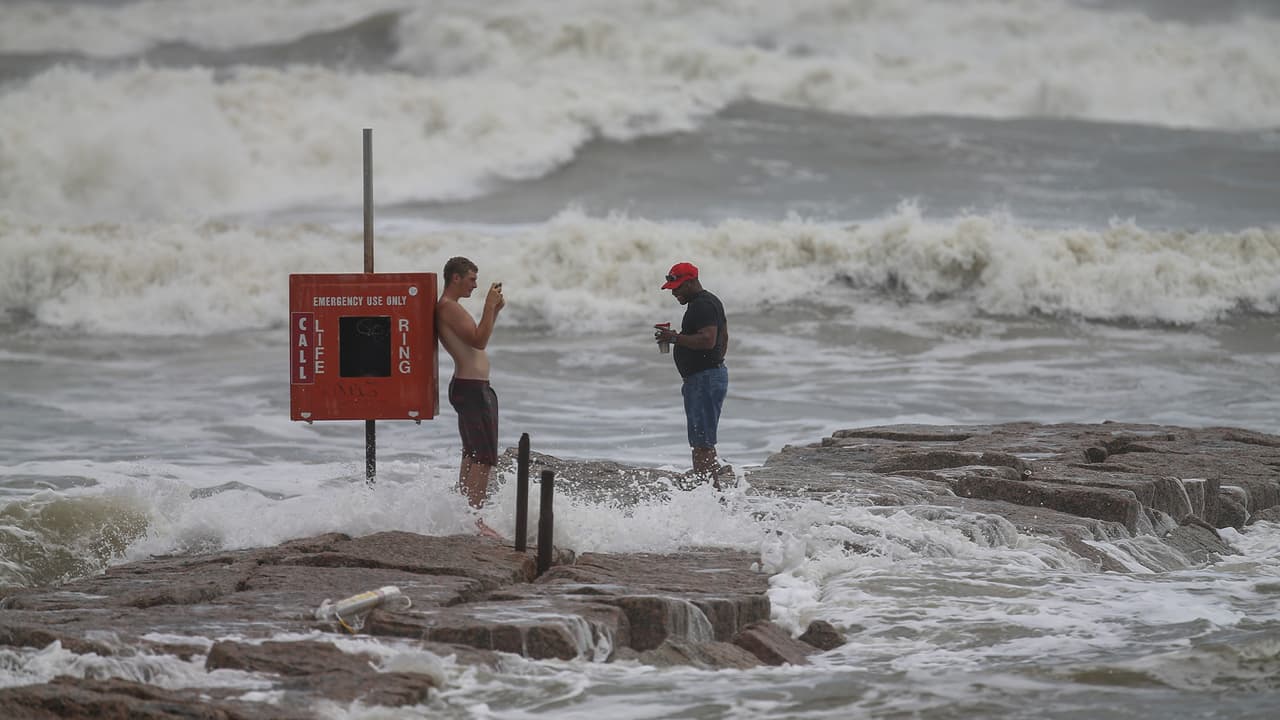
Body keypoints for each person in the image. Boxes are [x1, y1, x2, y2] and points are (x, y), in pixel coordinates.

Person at [436, 256, 505, 537]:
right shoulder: (449, 308)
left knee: (473, 453)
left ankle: (464, 514)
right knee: (483, 456)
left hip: (471, 387)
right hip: (471, 388)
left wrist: (495, 310)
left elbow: (478, 338)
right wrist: (489, 306)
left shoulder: (451, 308)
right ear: (456, 278)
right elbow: (479, 340)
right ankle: (474, 520)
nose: (475, 286)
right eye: (471, 280)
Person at [653, 261, 732, 488]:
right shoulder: (707, 303)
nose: (674, 292)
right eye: (672, 288)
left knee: (702, 443)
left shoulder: (702, 305)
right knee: (702, 441)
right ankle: (709, 489)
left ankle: (708, 492)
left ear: (691, 282)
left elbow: (708, 340)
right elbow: (723, 338)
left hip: (704, 379)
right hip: (706, 377)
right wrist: (716, 362)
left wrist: (675, 338)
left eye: (678, 287)